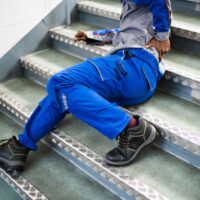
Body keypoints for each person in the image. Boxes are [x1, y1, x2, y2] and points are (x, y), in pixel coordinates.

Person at [0, 0, 171, 174]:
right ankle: (18, 148)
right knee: (61, 95)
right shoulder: (136, 10)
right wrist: (94, 35)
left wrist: (163, 36)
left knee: (61, 82)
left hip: (133, 65)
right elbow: (127, 32)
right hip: (137, 80)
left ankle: (133, 128)